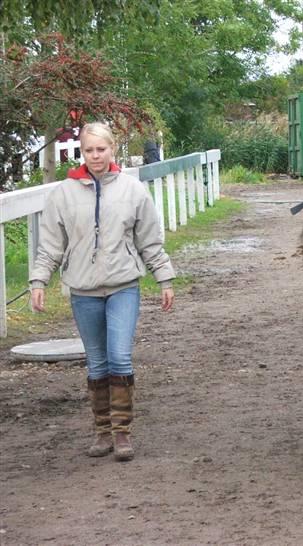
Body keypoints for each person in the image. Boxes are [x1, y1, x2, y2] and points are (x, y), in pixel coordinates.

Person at [29, 122, 175, 462]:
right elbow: (50, 245)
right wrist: (39, 281)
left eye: (101, 149)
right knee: (97, 362)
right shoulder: (62, 194)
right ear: (82, 151)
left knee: (120, 357)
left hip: (124, 285)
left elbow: (149, 240)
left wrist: (164, 278)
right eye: (89, 150)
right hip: (83, 290)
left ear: (113, 149)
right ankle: (102, 432)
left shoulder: (132, 190)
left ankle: (122, 433)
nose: (95, 156)